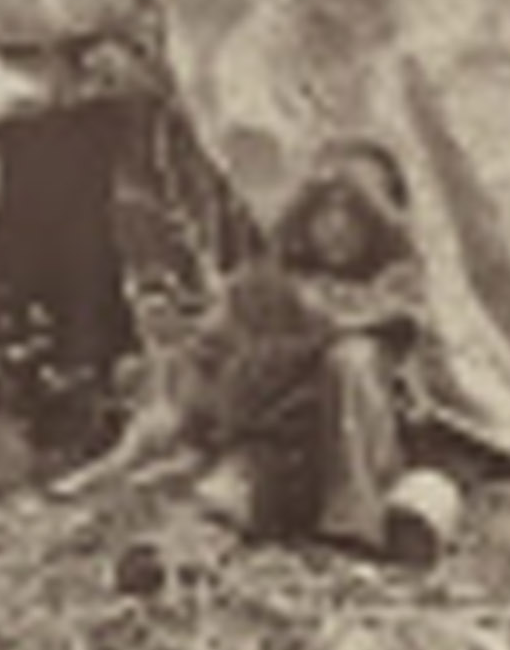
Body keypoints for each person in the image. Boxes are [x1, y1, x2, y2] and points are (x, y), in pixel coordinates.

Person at [191, 139, 458, 562]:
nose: (337, 227)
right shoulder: (271, 283)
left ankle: (357, 519)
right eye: (324, 212)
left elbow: (415, 375)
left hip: (369, 458)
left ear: (379, 226)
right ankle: (203, 537)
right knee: (225, 498)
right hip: (289, 447)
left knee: (352, 358)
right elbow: (212, 351)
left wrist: (314, 337)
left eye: (354, 216)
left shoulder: (397, 285)